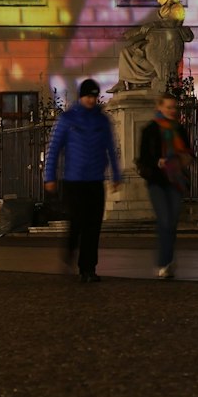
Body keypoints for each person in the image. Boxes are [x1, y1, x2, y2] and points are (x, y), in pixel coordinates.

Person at [43, 78, 123, 282]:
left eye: (94, 97)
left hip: (95, 179)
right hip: (74, 180)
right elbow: (53, 149)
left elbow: (110, 148)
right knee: (77, 222)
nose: (91, 100)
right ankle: (70, 251)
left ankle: (88, 268)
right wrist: (49, 176)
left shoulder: (102, 120)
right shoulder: (67, 119)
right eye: (88, 96)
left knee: (93, 226)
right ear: (81, 96)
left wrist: (116, 174)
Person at [137, 92, 193, 279]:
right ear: (159, 107)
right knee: (165, 220)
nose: (171, 110)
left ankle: (167, 258)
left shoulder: (179, 129)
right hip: (157, 180)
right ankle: (164, 261)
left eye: (173, 107)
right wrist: (157, 162)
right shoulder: (150, 130)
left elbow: (188, 152)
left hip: (175, 180)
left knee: (173, 221)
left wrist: (183, 159)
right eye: (168, 107)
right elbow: (144, 157)